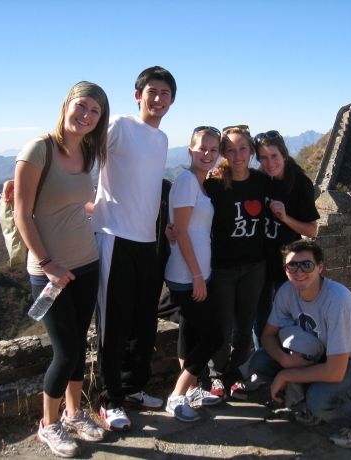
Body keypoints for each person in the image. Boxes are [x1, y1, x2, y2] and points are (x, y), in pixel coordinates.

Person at [13, 81, 109, 457]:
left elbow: (76, 206)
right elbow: (23, 214)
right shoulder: (39, 149)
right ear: (67, 104)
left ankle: (74, 414)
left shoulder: (87, 152)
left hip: (86, 263)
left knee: (78, 348)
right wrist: (48, 262)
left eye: (94, 111)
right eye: (81, 106)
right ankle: (48, 425)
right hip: (49, 270)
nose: (85, 115)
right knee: (65, 351)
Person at [92, 66, 177, 430]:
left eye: (165, 94)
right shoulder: (119, 126)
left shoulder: (161, 140)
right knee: (114, 323)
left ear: (172, 101)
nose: (158, 99)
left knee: (143, 321)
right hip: (113, 235)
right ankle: (109, 399)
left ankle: (133, 388)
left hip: (147, 241)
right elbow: (82, 156)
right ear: (137, 94)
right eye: (152, 92)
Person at [250, 239, 351, 449]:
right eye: (292, 265)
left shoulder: (337, 301)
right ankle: (308, 408)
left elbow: (336, 371)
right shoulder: (287, 292)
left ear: (320, 267)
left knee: (320, 399)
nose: (299, 271)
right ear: (285, 269)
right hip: (321, 355)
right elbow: (268, 335)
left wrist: (287, 374)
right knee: (260, 361)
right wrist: (284, 359)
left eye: (307, 265)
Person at [164, 126, 223, 422]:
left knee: (190, 332)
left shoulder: (200, 183)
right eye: (202, 148)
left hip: (195, 272)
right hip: (188, 276)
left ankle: (189, 392)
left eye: (213, 150)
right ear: (190, 150)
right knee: (214, 336)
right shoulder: (188, 181)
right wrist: (198, 276)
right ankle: (177, 396)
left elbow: (181, 228)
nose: (207, 154)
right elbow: (183, 232)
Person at [204, 125, 267, 398]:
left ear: (251, 151)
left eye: (243, 148)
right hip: (222, 266)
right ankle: (216, 374)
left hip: (255, 265)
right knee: (221, 324)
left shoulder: (261, 182)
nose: (238, 155)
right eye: (230, 149)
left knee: (245, 323)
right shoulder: (214, 185)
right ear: (223, 154)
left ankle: (238, 372)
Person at [252, 130, 320, 350]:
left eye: (274, 156)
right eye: (263, 157)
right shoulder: (260, 180)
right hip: (260, 260)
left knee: (288, 317)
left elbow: (312, 230)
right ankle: (262, 365)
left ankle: (290, 361)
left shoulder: (300, 184)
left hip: (288, 264)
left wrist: (285, 217)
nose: (270, 163)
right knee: (260, 319)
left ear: (284, 155)